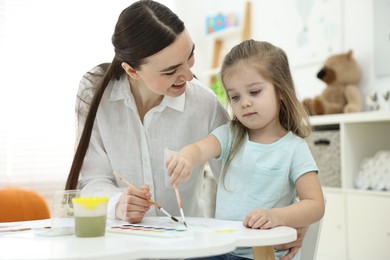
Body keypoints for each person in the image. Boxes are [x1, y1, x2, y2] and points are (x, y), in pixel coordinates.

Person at [65, 1, 305, 258]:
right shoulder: (95, 92)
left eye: (189, 56)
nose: (189, 76)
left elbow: (242, 179)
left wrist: (285, 217)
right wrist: (117, 202)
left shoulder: (203, 102)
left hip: (188, 250)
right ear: (132, 70)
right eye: (171, 71)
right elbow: (92, 179)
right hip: (118, 247)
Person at [165, 40, 325, 260]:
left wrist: (277, 216)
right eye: (235, 96)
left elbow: (315, 204)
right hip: (224, 249)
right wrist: (185, 157)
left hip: (266, 254)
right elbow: (199, 150)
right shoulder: (230, 135)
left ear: (280, 90)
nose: (244, 103)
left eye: (254, 92)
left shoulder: (294, 148)